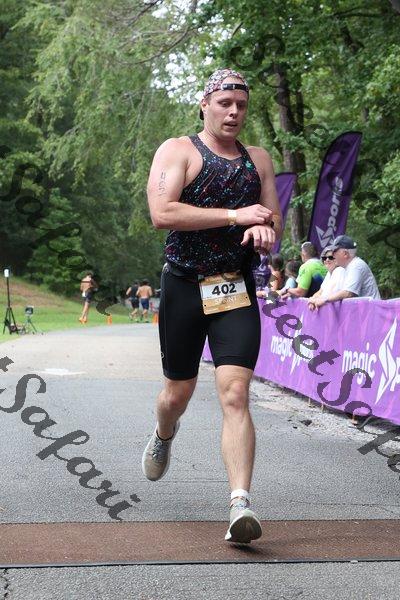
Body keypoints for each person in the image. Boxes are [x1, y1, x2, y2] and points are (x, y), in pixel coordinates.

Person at [142, 67, 283, 544]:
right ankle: (164, 433)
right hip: (184, 285)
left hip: (234, 288)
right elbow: (162, 212)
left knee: (235, 393)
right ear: (205, 104)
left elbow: (272, 219)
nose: (234, 112)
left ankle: (240, 504)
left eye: (241, 105)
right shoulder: (178, 150)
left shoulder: (258, 160)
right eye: (225, 103)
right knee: (176, 394)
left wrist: (264, 229)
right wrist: (235, 215)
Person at [308, 235, 380, 310]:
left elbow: (348, 293)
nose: (332, 255)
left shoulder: (356, 265)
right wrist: (315, 299)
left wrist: (324, 299)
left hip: (372, 312)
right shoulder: (348, 267)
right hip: (367, 311)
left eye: (335, 251)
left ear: (345, 254)